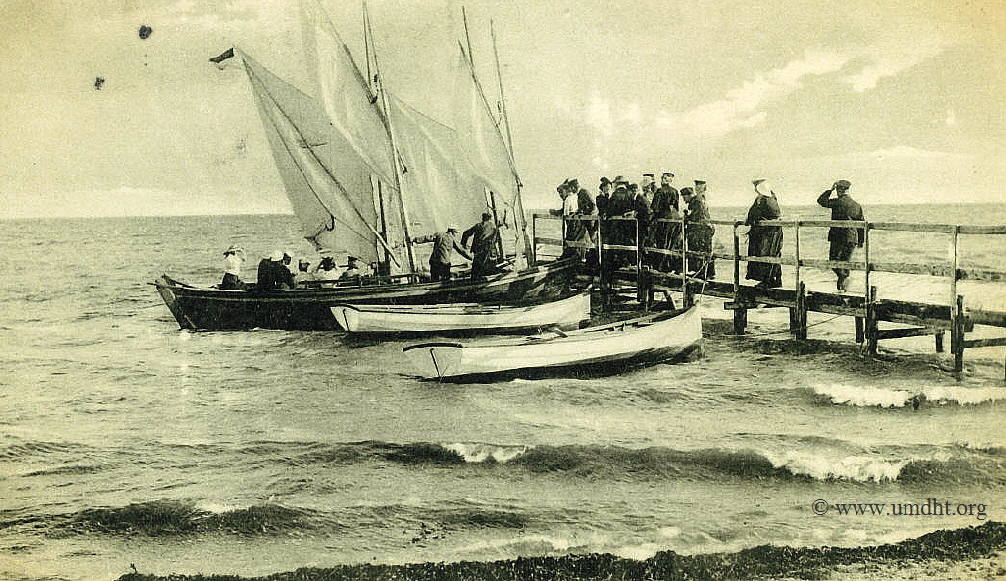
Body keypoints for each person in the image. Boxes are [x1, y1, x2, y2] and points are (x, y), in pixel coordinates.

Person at [816, 179, 864, 291]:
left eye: (837, 190)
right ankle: (843, 289)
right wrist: (861, 241)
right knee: (845, 264)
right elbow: (862, 225)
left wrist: (830, 190)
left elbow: (821, 201)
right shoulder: (857, 205)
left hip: (838, 238)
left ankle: (843, 283)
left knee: (833, 262)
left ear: (839, 190)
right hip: (852, 238)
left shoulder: (837, 202)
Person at [745, 179, 783, 289]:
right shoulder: (766, 198)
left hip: (769, 233)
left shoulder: (766, 199)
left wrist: (751, 219)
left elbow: (757, 214)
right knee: (770, 255)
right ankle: (772, 280)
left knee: (766, 254)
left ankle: (769, 280)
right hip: (768, 232)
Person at [682, 182, 715, 279]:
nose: (683, 199)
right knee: (704, 250)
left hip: (701, 230)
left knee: (701, 250)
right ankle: (704, 272)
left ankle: (704, 273)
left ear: (689, 195)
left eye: (684, 197)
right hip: (704, 229)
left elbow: (697, 215)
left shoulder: (696, 201)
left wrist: (686, 217)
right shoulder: (698, 200)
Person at [462, 212, 503, 277]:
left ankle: (476, 279)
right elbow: (498, 239)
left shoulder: (478, 226)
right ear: (490, 219)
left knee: (476, 271)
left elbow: (465, 234)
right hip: (489, 252)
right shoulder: (493, 227)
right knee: (490, 269)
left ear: (483, 218)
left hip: (479, 252)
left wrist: (464, 244)